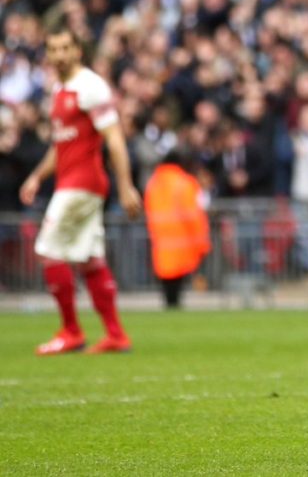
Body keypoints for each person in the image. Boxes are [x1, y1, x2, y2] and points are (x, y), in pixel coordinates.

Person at [18, 23, 142, 355]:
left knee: (48, 250)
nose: (58, 55)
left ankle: (70, 331)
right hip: (71, 181)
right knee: (90, 260)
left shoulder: (91, 87)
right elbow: (61, 147)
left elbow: (114, 138)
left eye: (64, 48)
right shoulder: (59, 89)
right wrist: (37, 177)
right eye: (53, 49)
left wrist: (126, 186)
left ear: (77, 51)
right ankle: (116, 334)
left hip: (82, 184)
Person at [144, 149, 212, 308]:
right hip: (182, 240)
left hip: (160, 240)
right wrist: (202, 243)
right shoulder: (185, 182)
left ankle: (170, 304)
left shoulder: (153, 182)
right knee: (177, 284)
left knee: (167, 283)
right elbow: (194, 215)